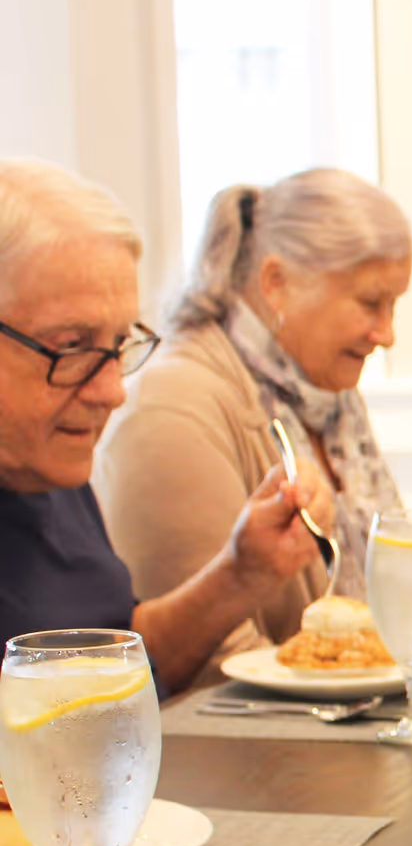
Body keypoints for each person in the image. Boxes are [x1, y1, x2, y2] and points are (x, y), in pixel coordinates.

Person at [94, 169, 412, 683]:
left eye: (394, 305)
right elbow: (213, 670)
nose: (387, 334)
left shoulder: (323, 387)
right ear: (277, 283)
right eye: (369, 303)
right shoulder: (174, 407)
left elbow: (380, 588)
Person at [0, 159, 319, 693]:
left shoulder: (48, 467)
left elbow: (118, 666)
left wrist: (242, 573)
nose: (111, 390)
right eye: (71, 346)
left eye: (119, 344)